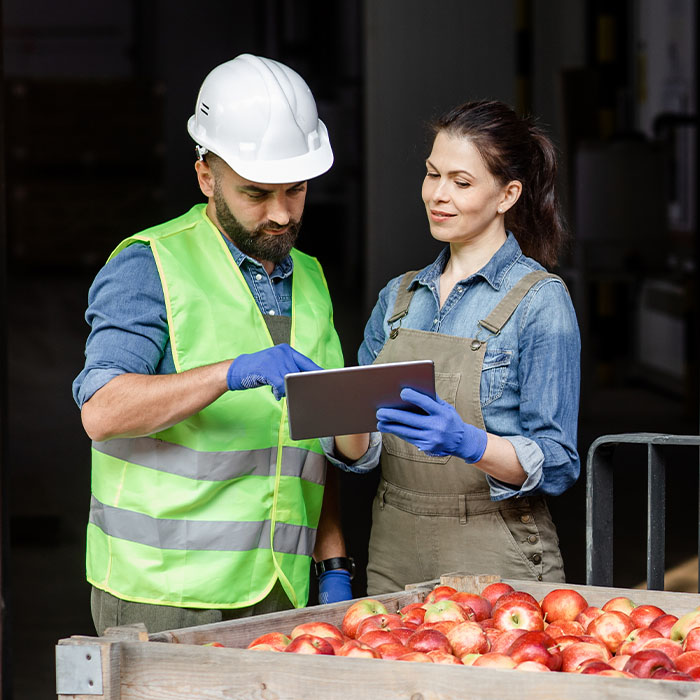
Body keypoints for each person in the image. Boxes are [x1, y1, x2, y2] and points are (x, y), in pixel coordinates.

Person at [72, 54, 373, 635]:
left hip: (283, 589)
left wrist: (332, 558)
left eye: (297, 189)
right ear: (207, 176)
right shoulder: (149, 265)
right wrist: (229, 373)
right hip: (164, 594)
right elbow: (103, 411)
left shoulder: (308, 276)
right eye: (256, 193)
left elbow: (321, 438)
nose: (281, 214)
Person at [341, 99, 581, 594]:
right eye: (433, 175)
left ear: (507, 194)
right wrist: (334, 405)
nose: (438, 195)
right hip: (394, 547)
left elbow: (557, 463)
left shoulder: (540, 301)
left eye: (462, 182)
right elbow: (362, 453)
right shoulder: (398, 298)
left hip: (498, 553)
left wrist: (470, 444)